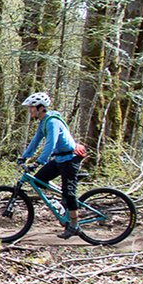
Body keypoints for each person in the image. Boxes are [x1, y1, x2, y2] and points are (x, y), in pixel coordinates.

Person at [19, 92, 86, 239]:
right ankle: (61, 202)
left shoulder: (52, 122)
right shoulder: (43, 122)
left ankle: (74, 225)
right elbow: (35, 141)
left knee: (69, 194)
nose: (29, 110)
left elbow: (51, 143)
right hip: (60, 159)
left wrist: (39, 162)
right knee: (37, 180)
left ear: (41, 108)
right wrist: (24, 156)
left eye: (32, 107)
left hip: (70, 159)